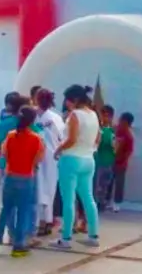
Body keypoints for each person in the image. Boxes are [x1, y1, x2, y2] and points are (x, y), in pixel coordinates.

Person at [0, 105, 43, 257]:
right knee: (23, 211)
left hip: (10, 177)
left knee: (6, 210)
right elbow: (39, 159)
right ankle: (18, 244)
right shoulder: (36, 138)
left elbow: (4, 153)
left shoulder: (11, 135)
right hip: (26, 177)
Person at [53, 84, 101, 251]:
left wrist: (58, 149)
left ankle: (65, 237)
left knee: (68, 199)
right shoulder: (94, 114)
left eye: (67, 99)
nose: (65, 103)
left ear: (73, 99)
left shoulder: (75, 115)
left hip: (71, 159)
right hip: (88, 159)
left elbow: (71, 139)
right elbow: (98, 138)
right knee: (88, 198)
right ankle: (93, 235)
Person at [33, 89, 65, 236]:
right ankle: (47, 221)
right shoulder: (57, 117)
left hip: (41, 157)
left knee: (41, 189)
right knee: (49, 190)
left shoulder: (37, 117)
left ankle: (42, 222)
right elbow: (62, 138)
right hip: (53, 157)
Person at [94, 104, 117, 211]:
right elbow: (96, 144)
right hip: (99, 161)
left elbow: (115, 146)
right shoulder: (98, 130)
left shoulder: (112, 131)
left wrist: (115, 146)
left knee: (106, 184)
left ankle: (103, 202)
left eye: (108, 116)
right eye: (104, 115)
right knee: (98, 184)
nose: (106, 118)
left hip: (109, 161)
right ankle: (97, 203)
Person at [112, 111, 135, 212]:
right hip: (110, 160)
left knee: (119, 183)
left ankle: (117, 203)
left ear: (126, 122)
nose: (119, 121)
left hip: (120, 163)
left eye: (121, 120)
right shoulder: (115, 130)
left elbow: (129, 151)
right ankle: (106, 200)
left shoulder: (129, 135)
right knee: (108, 182)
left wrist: (122, 160)